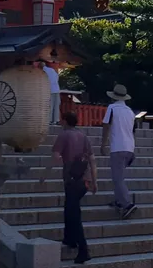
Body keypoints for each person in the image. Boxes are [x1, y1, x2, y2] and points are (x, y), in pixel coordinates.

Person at [41, 112, 95, 264]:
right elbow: (92, 159)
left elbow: (55, 156)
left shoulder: (63, 135)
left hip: (72, 179)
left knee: (74, 214)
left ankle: (83, 249)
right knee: (70, 207)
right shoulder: (83, 136)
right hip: (84, 179)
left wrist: (44, 174)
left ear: (65, 121)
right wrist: (94, 181)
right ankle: (69, 238)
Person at [101, 83, 137, 219]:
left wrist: (103, 144)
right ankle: (118, 201)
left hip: (118, 147)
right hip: (129, 147)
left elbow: (106, 126)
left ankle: (127, 204)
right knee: (119, 175)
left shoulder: (112, 108)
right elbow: (133, 131)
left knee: (118, 178)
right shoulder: (130, 112)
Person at [43, 60, 61, 125]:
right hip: (54, 89)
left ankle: (51, 120)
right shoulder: (49, 70)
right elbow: (56, 78)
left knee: (52, 105)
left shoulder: (45, 71)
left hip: (52, 89)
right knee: (54, 105)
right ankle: (54, 120)